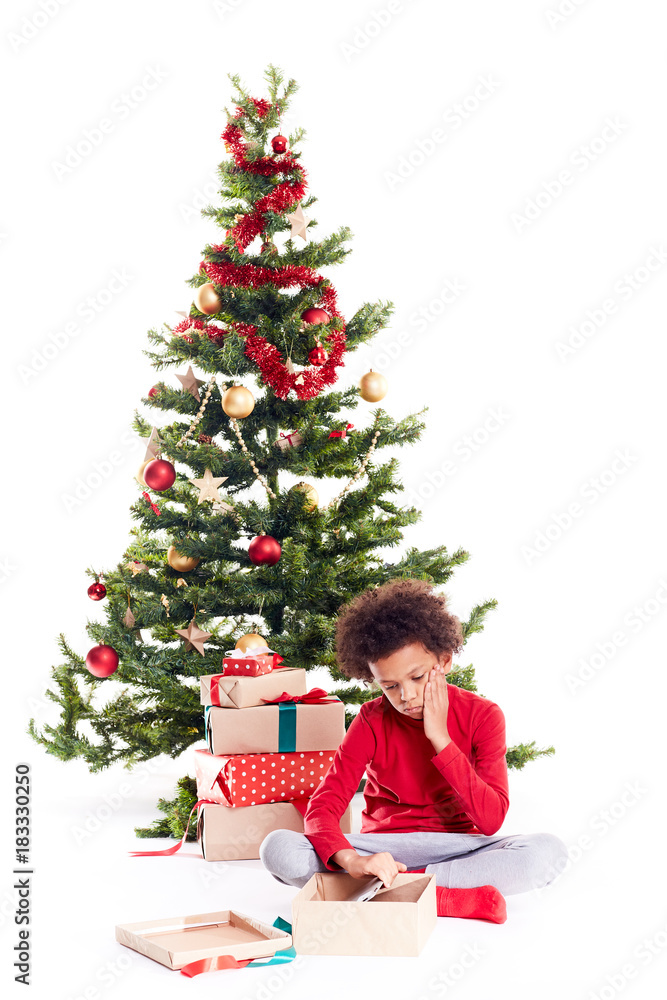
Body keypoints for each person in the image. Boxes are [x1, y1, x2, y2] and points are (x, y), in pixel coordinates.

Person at [259, 578, 568, 921]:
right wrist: (353, 861)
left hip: (458, 850)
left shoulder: (483, 715)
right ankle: (440, 897)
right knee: (278, 848)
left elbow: (491, 820)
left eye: (417, 678)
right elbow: (323, 807)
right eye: (390, 686)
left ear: (445, 661)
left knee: (548, 852)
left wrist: (440, 739)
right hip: (383, 851)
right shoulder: (371, 719)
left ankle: (387, 893)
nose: (406, 696)